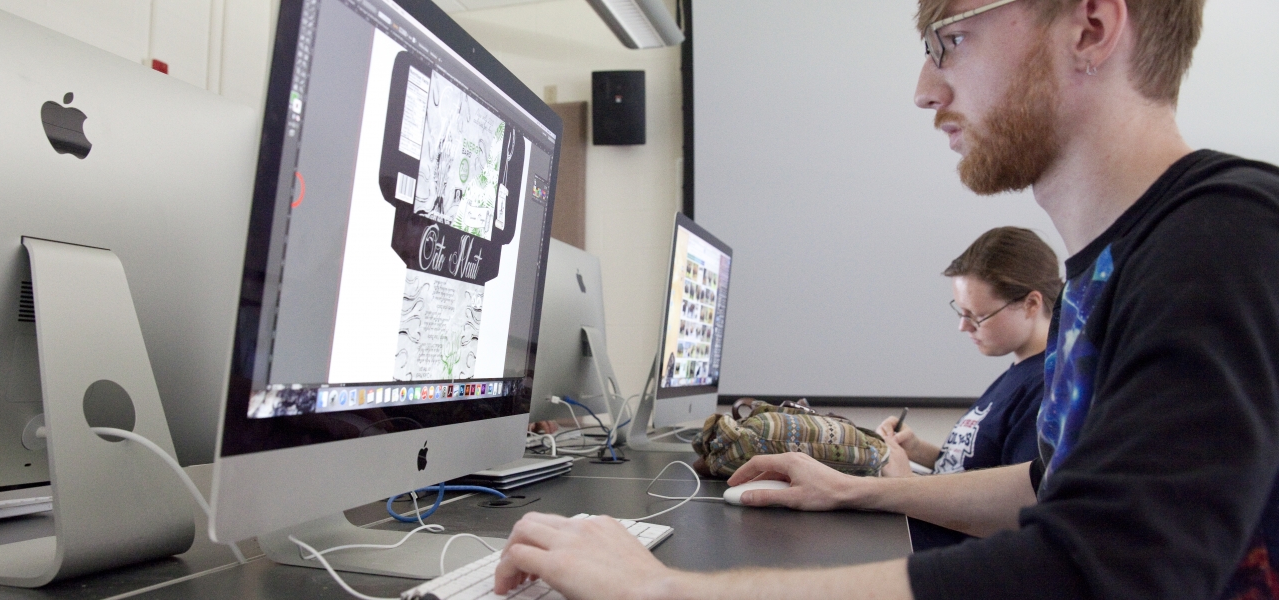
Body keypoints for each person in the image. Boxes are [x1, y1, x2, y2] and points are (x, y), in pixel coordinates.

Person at [491, 0, 1279, 598]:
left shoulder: (1224, 238)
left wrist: (665, 590)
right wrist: (856, 489)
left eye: (951, 40)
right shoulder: (1111, 269)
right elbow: (1050, 486)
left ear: (1091, 27)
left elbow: (1104, 570)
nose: (924, 88)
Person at [876, 227, 1059, 550]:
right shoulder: (1018, 373)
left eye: (978, 315)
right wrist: (921, 451)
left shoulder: (1046, 386)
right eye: (961, 312)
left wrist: (903, 485)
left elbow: (1016, 507)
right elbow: (981, 468)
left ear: (1031, 304)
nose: (964, 326)